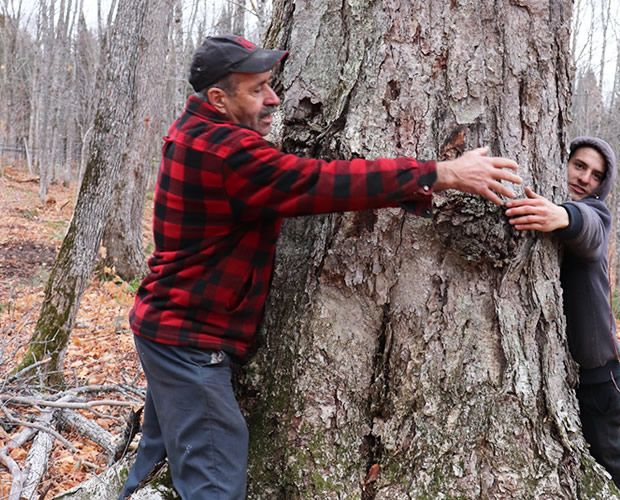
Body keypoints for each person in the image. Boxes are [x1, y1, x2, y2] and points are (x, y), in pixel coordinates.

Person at [119, 34, 522, 499]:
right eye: (256, 90)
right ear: (218, 98)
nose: (273, 100)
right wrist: (439, 173)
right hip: (187, 341)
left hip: (170, 328)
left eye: (271, 85)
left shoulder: (198, 131)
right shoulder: (227, 151)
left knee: (157, 461)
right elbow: (317, 183)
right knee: (214, 482)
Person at [505, 136, 620, 500]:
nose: (584, 178)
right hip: (556, 374)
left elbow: (590, 232)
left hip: (598, 378)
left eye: (595, 175)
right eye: (579, 165)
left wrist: (562, 215)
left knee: (608, 469)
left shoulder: (596, 212)